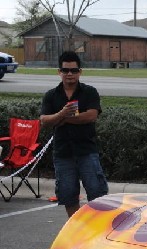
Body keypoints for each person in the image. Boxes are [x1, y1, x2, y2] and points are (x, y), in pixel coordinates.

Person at [40, 51, 108, 218]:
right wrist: (62, 114)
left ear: (80, 72)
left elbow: (91, 116)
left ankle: (97, 229)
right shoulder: (51, 95)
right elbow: (44, 120)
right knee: (68, 194)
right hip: (63, 153)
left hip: (87, 150)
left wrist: (62, 118)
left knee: (96, 192)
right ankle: (76, 229)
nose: (70, 74)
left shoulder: (89, 92)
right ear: (59, 72)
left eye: (74, 70)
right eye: (65, 70)